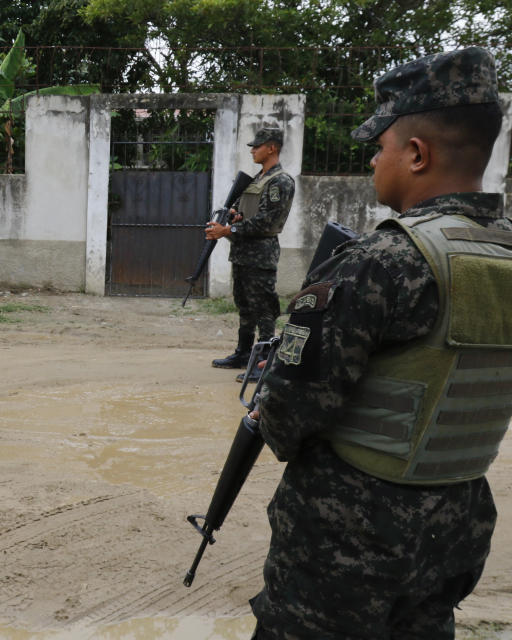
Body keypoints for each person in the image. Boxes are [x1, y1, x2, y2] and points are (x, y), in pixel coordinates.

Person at [250, 47, 509, 639]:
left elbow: (289, 416)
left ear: (416, 154)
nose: (372, 160)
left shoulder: (380, 263)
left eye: (379, 146)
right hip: (455, 531)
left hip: (349, 542)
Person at [206, 127, 295, 372]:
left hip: (261, 255)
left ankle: (264, 360)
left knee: (264, 310)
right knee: (245, 307)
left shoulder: (280, 181)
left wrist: (227, 231)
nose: (253, 150)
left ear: (272, 147)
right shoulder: (257, 179)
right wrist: (234, 215)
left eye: (257, 146)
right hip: (243, 253)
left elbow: (268, 221)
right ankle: (244, 354)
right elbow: (246, 210)